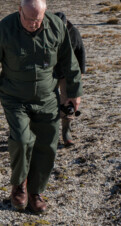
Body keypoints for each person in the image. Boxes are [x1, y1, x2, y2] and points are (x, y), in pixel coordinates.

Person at [0, 0, 82, 214]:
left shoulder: (55, 26)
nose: (33, 24)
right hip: (15, 97)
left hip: (46, 97)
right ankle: (19, 185)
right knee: (23, 140)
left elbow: (70, 61)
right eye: (28, 19)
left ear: (44, 13)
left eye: (38, 19)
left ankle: (35, 191)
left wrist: (73, 92)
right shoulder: (5, 29)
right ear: (19, 10)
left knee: (47, 144)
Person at [54, 12, 85, 146]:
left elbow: (80, 51)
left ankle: (67, 132)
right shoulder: (46, 31)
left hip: (67, 74)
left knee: (69, 102)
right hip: (49, 73)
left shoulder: (73, 33)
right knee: (46, 102)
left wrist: (80, 73)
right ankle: (48, 133)